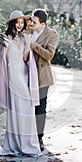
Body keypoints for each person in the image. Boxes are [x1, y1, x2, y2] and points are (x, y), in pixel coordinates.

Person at [0, 10, 42, 157]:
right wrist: (7, 45)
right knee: (16, 109)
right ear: (12, 23)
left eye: (22, 22)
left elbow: (26, 59)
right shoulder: (4, 38)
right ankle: (14, 144)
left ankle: (27, 143)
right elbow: (3, 59)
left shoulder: (25, 38)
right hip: (12, 76)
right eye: (17, 22)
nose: (20, 25)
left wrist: (28, 45)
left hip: (23, 74)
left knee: (26, 109)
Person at [29, 9, 59, 151]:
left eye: (33, 21)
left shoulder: (52, 34)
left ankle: (39, 137)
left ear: (42, 23)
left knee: (40, 108)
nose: (30, 23)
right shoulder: (28, 31)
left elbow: (48, 55)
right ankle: (28, 136)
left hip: (42, 76)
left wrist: (34, 45)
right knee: (27, 106)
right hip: (26, 75)